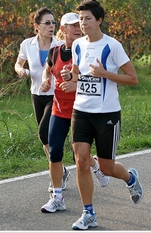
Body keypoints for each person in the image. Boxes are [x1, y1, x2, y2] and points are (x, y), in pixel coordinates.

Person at [61, 0, 144, 230]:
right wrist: (71, 78)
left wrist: (105, 73)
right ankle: (88, 213)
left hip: (107, 113)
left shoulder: (113, 45)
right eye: (80, 19)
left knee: (106, 167)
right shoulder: (77, 45)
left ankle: (130, 178)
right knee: (81, 161)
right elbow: (78, 75)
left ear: (99, 20)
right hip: (82, 110)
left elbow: (133, 79)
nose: (83, 23)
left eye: (88, 18)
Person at [39, 13, 110, 213]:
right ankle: (57, 197)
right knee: (54, 152)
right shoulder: (54, 51)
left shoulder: (85, 49)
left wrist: (75, 83)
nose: (78, 27)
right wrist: (46, 80)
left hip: (81, 111)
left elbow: (95, 79)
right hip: (59, 109)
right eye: (72, 25)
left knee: (81, 158)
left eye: (79, 24)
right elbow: (48, 69)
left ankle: (95, 164)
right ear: (63, 29)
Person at [14, 7, 70, 193]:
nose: (51, 26)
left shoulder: (60, 44)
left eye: (53, 22)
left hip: (55, 93)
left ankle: (57, 174)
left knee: (44, 132)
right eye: (47, 23)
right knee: (44, 138)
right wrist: (19, 70)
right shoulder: (27, 44)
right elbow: (19, 62)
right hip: (36, 93)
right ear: (36, 26)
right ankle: (59, 170)